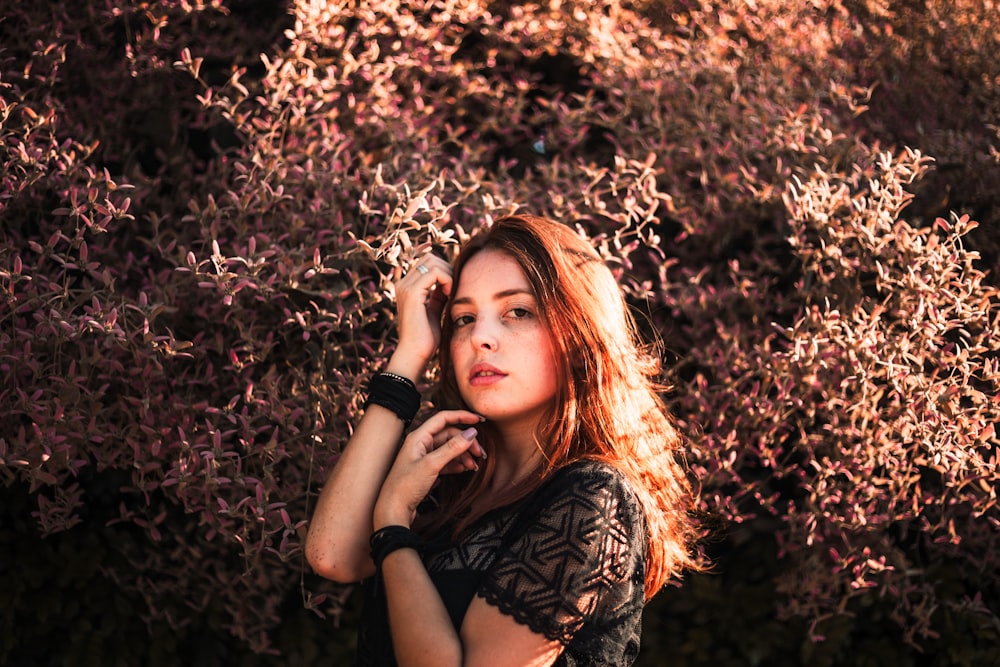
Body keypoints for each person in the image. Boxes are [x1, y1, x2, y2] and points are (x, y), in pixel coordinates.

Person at [306, 214, 702, 666]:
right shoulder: (450, 480)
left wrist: (394, 521)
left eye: (518, 311)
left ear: (578, 332)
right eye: (463, 318)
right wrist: (409, 354)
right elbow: (331, 554)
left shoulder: (594, 497)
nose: (481, 338)